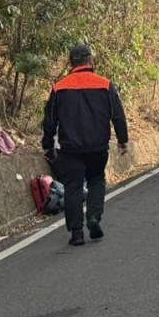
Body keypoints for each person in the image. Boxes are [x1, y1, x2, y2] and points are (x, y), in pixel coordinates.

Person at [41, 45, 128, 246]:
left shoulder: (59, 87)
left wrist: (47, 145)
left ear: (71, 63)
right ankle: (94, 217)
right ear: (91, 61)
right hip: (97, 146)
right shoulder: (105, 85)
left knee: (73, 186)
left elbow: (49, 121)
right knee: (97, 179)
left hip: (70, 148)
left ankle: (77, 233)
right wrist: (123, 140)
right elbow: (118, 116)